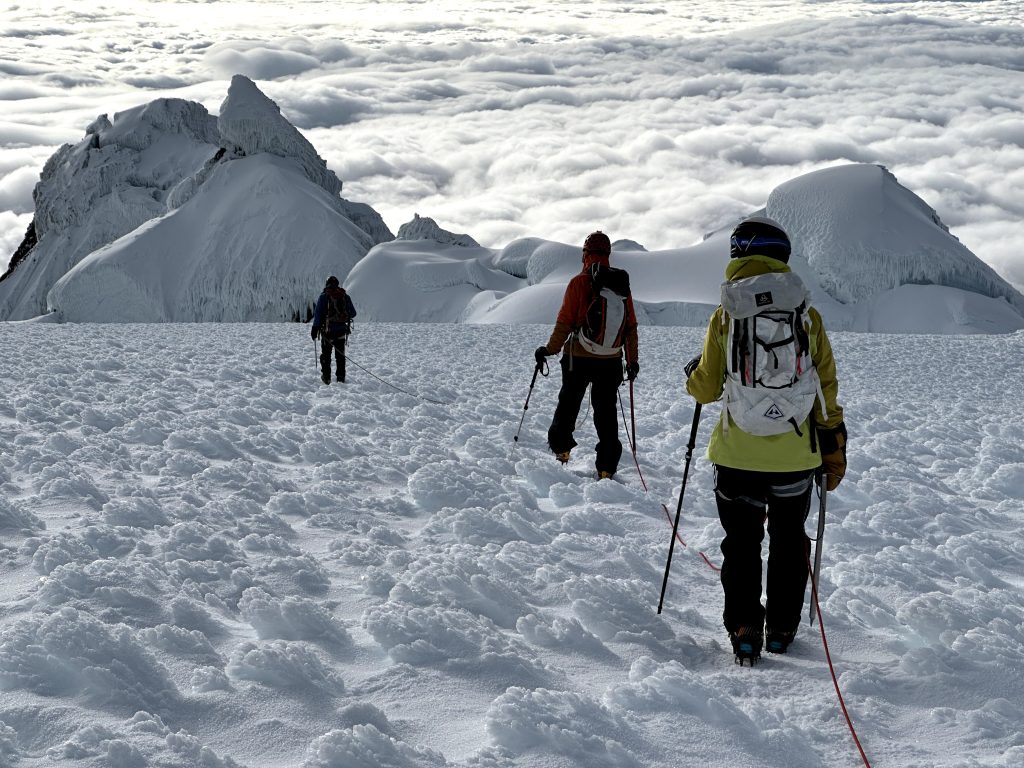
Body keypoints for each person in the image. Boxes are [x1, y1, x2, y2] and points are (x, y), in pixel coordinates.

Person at [684, 216, 846, 663]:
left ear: (737, 255)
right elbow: (825, 389)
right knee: (791, 541)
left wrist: (692, 376)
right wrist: (832, 445)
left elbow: (707, 388)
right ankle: (782, 629)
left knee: (741, 543)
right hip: (796, 455)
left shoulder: (726, 315)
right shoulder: (807, 317)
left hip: (737, 456)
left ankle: (744, 626)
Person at [535, 231, 639, 480]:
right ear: (608, 255)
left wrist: (550, 349)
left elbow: (564, 322)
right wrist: (632, 360)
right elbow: (630, 328)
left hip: (578, 359)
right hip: (611, 360)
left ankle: (562, 453)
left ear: (585, 254)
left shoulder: (578, 283)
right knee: (606, 414)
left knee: (568, 405)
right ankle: (606, 468)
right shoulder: (620, 285)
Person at [311, 276, 357, 385]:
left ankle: (326, 377)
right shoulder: (344, 296)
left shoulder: (323, 297)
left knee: (326, 355)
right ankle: (341, 377)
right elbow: (353, 313)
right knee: (340, 356)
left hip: (327, 331)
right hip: (341, 331)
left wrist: (314, 329)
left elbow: (318, 315)